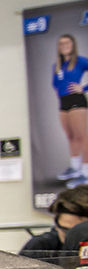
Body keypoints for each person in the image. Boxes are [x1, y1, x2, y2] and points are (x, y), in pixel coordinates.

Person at [53, 34, 88, 186]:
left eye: (67, 43)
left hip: (76, 101)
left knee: (83, 136)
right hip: (63, 103)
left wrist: (84, 88)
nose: (64, 46)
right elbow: (55, 84)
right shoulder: (57, 65)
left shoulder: (80, 61)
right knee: (71, 136)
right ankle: (75, 169)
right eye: (61, 44)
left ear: (73, 45)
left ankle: (86, 173)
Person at [20, 185, 88, 257]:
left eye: (82, 233)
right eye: (66, 230)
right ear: (55, 221)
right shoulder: (41, 247)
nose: (73, 237)